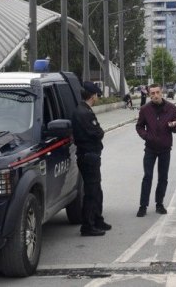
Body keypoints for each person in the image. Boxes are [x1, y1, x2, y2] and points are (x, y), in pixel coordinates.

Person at [72, 81, 111, 236]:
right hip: (88, 156)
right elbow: (97, 133)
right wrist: (99, 132)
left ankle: (97, 219)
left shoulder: (83, 110)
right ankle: (88, 225)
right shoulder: (84, 113)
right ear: (93, 95)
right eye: (96, 95)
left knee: (96, 190)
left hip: (90, 155)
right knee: (91, 192)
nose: (97, 98)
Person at [135, 83, 176, 217]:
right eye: (152, 93)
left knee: (163, 178)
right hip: (150, 148)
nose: (155, 95)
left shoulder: (171, 108)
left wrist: (173, 126)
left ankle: (159, 204)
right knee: (147, 177)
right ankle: (143, 206)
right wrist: (147, 136)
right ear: (149, 94)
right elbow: (139, 127)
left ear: (162, 93)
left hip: (165, 148)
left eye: (157, 92)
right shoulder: (145, 109)